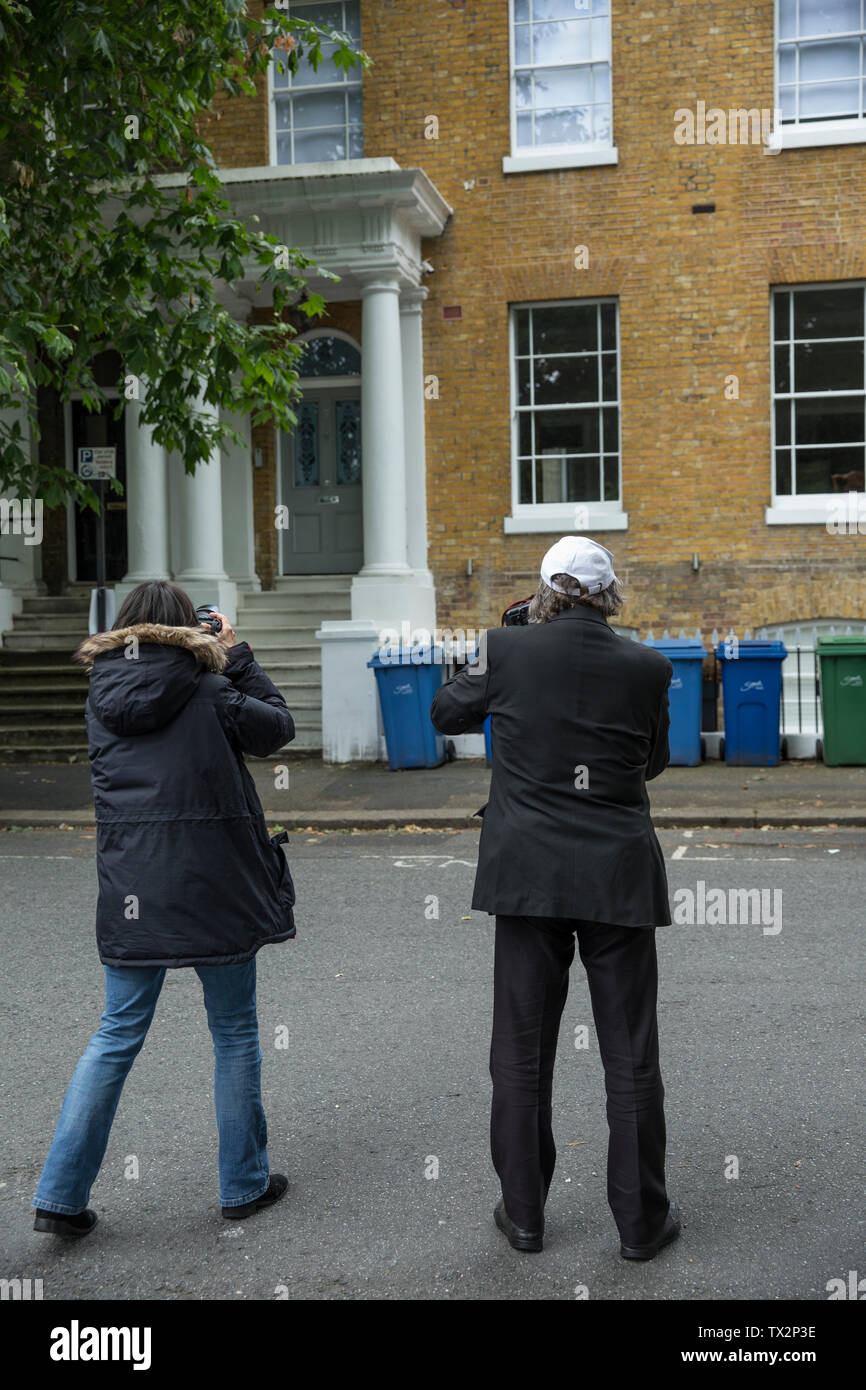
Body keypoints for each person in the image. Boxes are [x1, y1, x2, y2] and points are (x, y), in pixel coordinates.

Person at [430, 537, 681, 1260]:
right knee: (630, 1056)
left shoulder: (509, 654)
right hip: (616, 876)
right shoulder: (648, 666)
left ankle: (525, 1215)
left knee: (521, 1051)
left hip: (528, 877)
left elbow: (446, 712)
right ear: (608, 597)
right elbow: (654, 761)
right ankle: (640, 1226)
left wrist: (507, 646)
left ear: (541, 594)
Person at [32, 580, 296, 1237]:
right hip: (218, 888)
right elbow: (277, 730)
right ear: (191, 629)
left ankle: (60, 1196)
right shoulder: (212, 689)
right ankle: (243, 1184)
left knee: (115, 1034)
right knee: (233, 1031)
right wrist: (237, 654)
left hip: (132, 891)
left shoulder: (101, 696)